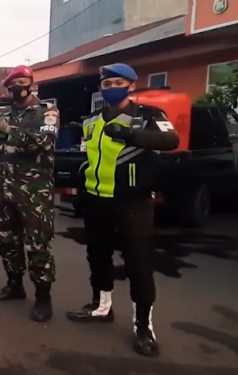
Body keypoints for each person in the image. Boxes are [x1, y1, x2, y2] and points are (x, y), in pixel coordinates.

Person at [66, 63, 179, 357]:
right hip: (97, 200)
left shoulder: (148, 116)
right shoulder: (92, 120)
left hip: (133, 202)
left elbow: (171, 140)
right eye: (107, 84)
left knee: (138, 263)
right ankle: (101, 306)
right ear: (100, 88)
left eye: (118, 83)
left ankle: (143, 327)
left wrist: (130, 135)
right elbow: (90, 156)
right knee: (98, 256)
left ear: (131, 85)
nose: (112, 88)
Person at [0, 65, 59, 323]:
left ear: (32, 84)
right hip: (5, 192)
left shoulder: (47, 112)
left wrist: (8, 130)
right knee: (7, 242)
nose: (19, 87)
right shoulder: (5, 114)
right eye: (14, 83)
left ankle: (43, 298)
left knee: (37, 246)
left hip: (34, 195)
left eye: (23, 81)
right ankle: (14, 285)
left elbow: (44, 143)